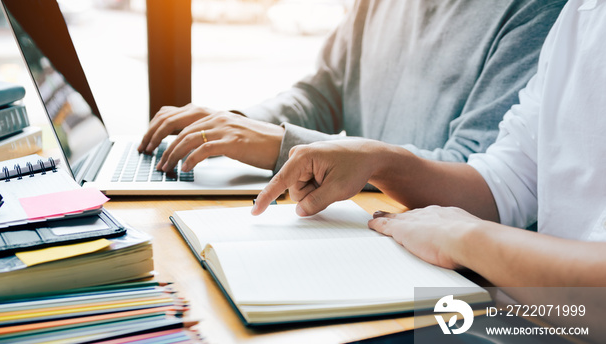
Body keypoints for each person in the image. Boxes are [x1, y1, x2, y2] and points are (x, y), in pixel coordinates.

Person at [251, 0, 606, 288]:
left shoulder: (544, 10)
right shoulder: (581, 12)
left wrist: (467, 239)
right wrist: (380, 161)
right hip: (554, 334)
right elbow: (511, 179)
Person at [138, 0, 566, 175]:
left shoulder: (541, 12)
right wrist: (239, 125)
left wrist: (288, 147)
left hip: (454, 300)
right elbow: (324, 94)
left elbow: (475, 174)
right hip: (361, 232)